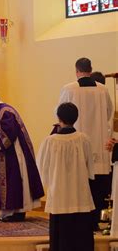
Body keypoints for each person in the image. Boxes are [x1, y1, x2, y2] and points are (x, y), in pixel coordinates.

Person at [58, 57, 113, 230]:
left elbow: (60, 112)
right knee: (97, 185)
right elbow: (109, 112)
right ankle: (96, 220)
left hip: (77, 144)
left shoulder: (69, 89)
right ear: (91, 69)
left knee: (79, 184)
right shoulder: (103, 90)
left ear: (77, 70)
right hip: (99, 143)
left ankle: (79, 221)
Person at [37, 103, 95, 251]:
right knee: (81, 238)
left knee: (61, 240)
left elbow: (42, 169)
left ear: (59, 118)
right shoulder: (84, 139)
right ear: (76, 118)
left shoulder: (50, 141)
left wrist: (52, 181)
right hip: (79, 194)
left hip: (59, 197)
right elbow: (89, 168)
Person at [0, 91, 44, 222]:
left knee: (14, 180)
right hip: (7, 152)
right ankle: (8, 212)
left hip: (15, 153)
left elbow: (8, 132)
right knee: (9, 181)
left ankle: (16, 212)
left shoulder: (5, 111)